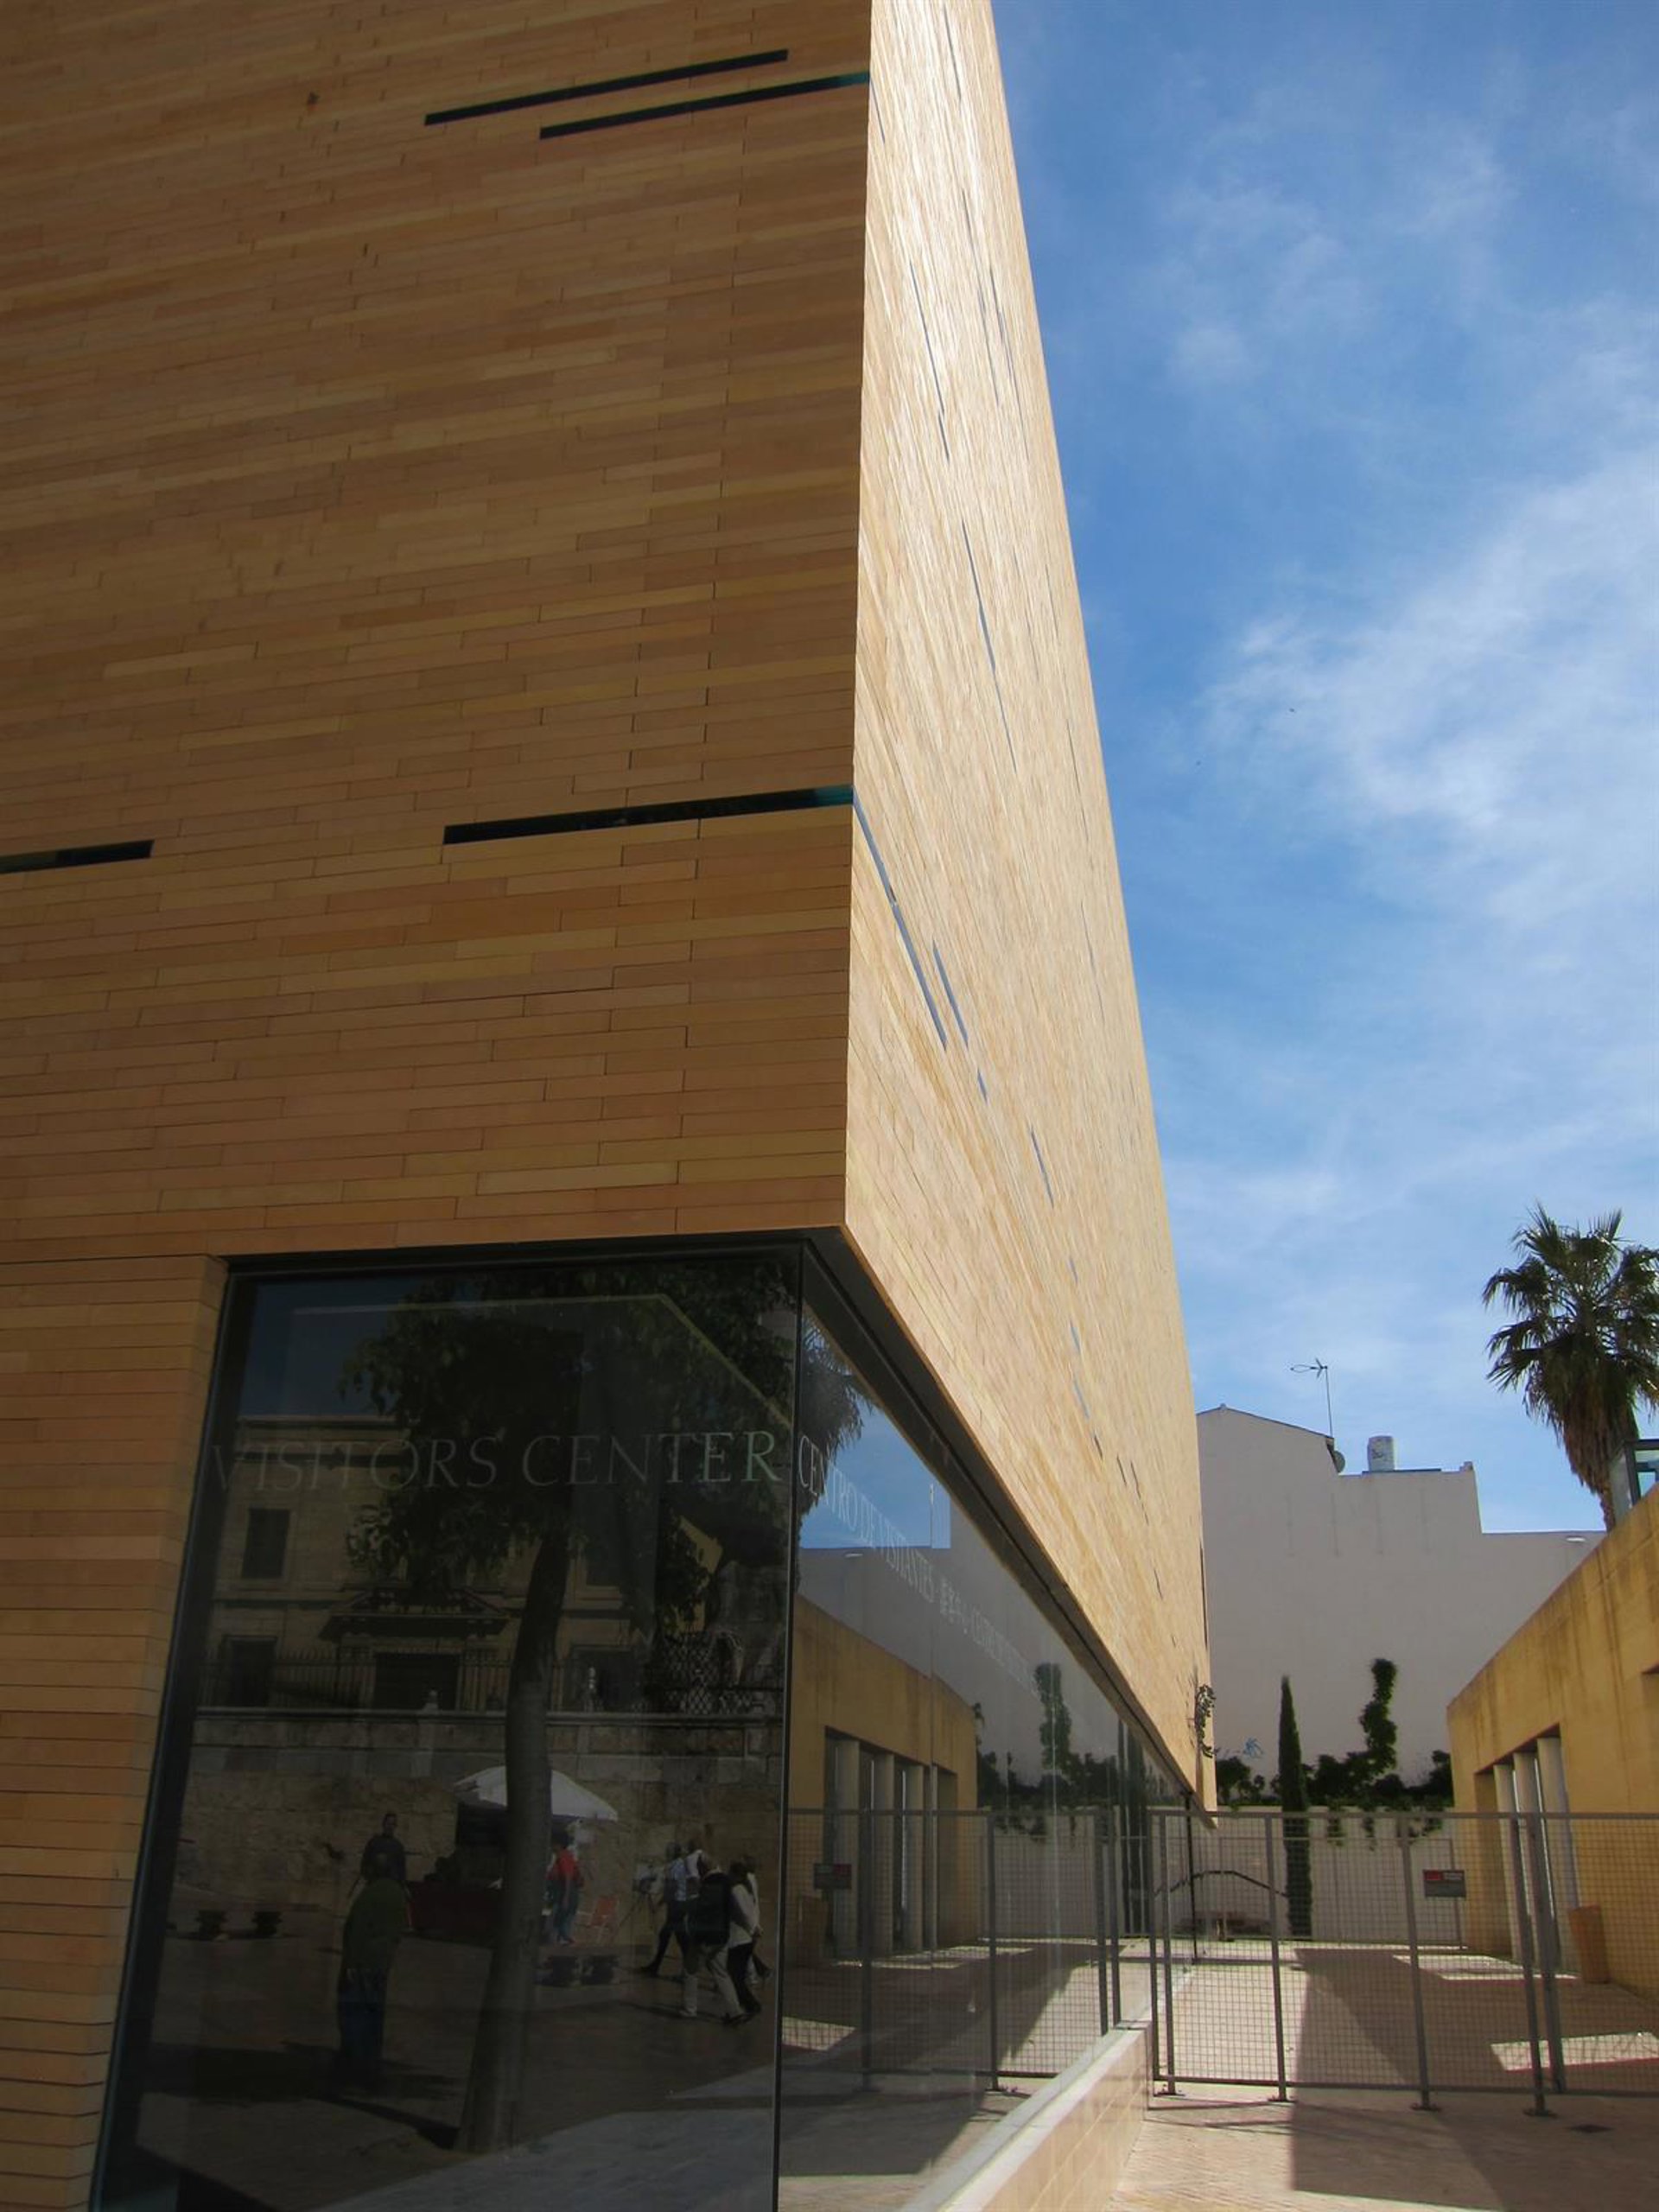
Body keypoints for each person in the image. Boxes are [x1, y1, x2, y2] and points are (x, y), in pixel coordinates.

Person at [334, 1868, 409, 2092]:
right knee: (373, 2017)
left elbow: (357, 1928)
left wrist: (351, 1962)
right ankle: (369, 2070)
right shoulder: (398, 1893)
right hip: (381, 1962)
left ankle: (353, 2071)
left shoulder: (372, 1892)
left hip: (363, 1962)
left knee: (354, 2015)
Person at [678, 1860, 746, 2024]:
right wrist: (749, 1927)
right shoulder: (726, 1883)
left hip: (705, 1937)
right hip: (722, 1937)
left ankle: (690, 2009)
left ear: (703, 1868)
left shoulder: (707, 1884)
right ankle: (735, 2011)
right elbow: (734, 1910)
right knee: (721, 1973)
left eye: (699, 1868)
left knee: (690, 1970)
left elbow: (700, 1910)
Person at [642, 1838, 706, 1975]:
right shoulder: (675, 1866)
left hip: (678, 1904)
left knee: (669, 1935)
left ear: (674, 1853)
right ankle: (686, 1967)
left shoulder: (676, 1867)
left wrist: (659, 1904)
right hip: (677, 1904)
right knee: (678, 1937)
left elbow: (672, 1888)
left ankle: (689, 1966)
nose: (666, 1853)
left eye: (669, 1850)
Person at [723, 1860, 762, 2019]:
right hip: (744, 1939)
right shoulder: (745, 1889)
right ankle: (738, 2009)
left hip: (739, 1939)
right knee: (736, 1976)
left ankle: (750, 2005)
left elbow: (744, 1913)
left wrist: (752, 1929)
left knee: (734, 1977)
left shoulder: (737, 1890)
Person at [546, 1835, 582, 1945]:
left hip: (565, 1895)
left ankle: (558, 1945)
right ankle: (560, 1943)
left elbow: (568, 1877)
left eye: (553, 1843)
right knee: (560, 1924)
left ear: (559, 1845)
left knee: (556, 1923)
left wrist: (565, 1898)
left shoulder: (564, 1857)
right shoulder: (560, 1857)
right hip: (563, 1895)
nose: (551, 1845)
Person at [358, 1811, 406, 1888]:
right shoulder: (373, 1843)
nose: (390, 1826)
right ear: (383, 1824)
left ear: (395, 1826)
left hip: (391, 1886)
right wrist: (372, 1874)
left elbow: (402, 1872)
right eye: (388, 1823)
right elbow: (364, 1866)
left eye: (393, 1824)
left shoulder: (398, 1846)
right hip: (374, 1884)